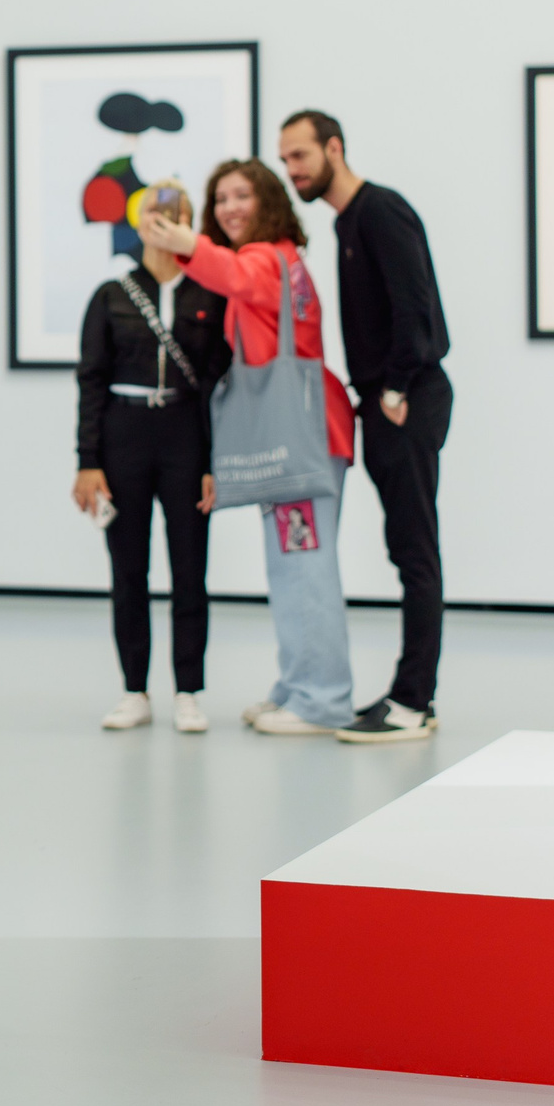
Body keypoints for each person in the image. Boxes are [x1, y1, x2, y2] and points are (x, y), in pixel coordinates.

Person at [138, 161, 354, 736]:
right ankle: (297, 685)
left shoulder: (263, 259)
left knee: (304, 568)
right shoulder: (284, 257)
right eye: (222, 197)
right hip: (304, 433)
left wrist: (187, 243)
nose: (231, 206)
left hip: (300, 437)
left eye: (243, 196)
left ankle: (321, 699)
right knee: (294, 566)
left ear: (269, 202)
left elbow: (234, 276)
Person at [279, 111, 449, 744]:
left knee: (415, 551)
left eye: (300, 155)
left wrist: (398, 386)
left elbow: (418, 307)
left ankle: (413, 703)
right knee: (405, 548)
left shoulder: (380, 211)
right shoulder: (347, 221)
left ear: (334, 148)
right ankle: (411, 695)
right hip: (381, 399)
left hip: (405, 399)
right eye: (286, 160)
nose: (292, 170)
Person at [71, 180, 228, 733]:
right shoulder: (111, 295)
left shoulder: (209, 294)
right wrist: (88, 461)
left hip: (186, 433)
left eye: (176, 211)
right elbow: (90, 381)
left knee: (191, 567)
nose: (163, 220)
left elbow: (216, 384)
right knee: (128, 569)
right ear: (138, 224)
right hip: (124, 435)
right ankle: (134, 689)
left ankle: (189, 689)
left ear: (190, 222)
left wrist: (214, 462)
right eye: (155, 211)